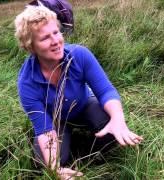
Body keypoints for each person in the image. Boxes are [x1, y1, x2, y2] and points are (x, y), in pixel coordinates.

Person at [14, 5, 143, 179]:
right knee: (43, 162)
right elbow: (44, 129)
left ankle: (88, 151)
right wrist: (54, 168)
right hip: (54, 120)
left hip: (84, 104)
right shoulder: (27, 82)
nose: (56, 41)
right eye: (45, 38)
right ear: (31, 47)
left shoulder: (80, 55)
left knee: (112, 130)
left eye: (56, 32)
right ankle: (66, 151)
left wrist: (118, 119)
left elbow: (105, 91)